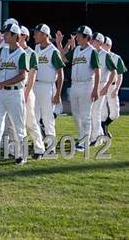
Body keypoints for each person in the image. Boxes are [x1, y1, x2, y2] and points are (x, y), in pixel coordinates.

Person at [0, 23, 28, 165]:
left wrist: (3, 83)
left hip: (15, 93)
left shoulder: (22, 54)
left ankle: (21, 155)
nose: (4, 36)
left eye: (7, 34)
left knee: (18, 125)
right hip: (1, 94)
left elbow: (22, 76)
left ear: (15, 36)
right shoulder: (3, 50)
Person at [56, 26, 100, 151]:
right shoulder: (76, 50)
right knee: (76, 114)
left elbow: (97, 71)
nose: (77, 37)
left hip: (87, 85)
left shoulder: (92, 51)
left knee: (85, 115)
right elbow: (63, 58)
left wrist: (96, 88)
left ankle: (85, 142)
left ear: (86, 37)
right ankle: (81, 138)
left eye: (80, 35)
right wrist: (59, 43)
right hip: (75, 85)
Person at [33, 23, 65, 152]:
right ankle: (38, 144)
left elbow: (61, 74)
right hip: (36, 84)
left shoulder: (53, 51)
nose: (34, 35)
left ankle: (51, 145)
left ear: (45, 34)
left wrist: (58, 94)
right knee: (34, 116)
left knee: (47, 117)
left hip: (48, 86)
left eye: (37, 33)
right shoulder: (36, 48)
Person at [18, 26, 46, 159]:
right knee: (15, 123)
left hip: (26, 90)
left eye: (19, 34)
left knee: (30, 121)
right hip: (14, 91)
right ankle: (16, 150)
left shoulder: (31, 53)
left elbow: (32, 75)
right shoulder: (12, 51)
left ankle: (39, 149)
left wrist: (26, 93)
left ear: (24, 36)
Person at [89, 32, 117, 146]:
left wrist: (106, 86)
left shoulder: (106, 55)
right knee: (92, 112)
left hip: (101, 85)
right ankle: (98, 135)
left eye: (93, 40)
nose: (91, 42)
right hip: (92, 84)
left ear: (99, 42)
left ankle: (96, 137)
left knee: (95, 111)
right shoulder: (91, 52)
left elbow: (114, 72)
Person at [101, 37, 127, 137]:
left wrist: (117, 89)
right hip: (101, 85)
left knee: (115, 113)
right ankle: (101, 130)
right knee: (102, 113)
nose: (102, 46)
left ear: (109, 46)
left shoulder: (116, 58)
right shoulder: (98, 55)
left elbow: (120, 75)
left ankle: (104, 125)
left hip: (112, 86)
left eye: (104, 44)